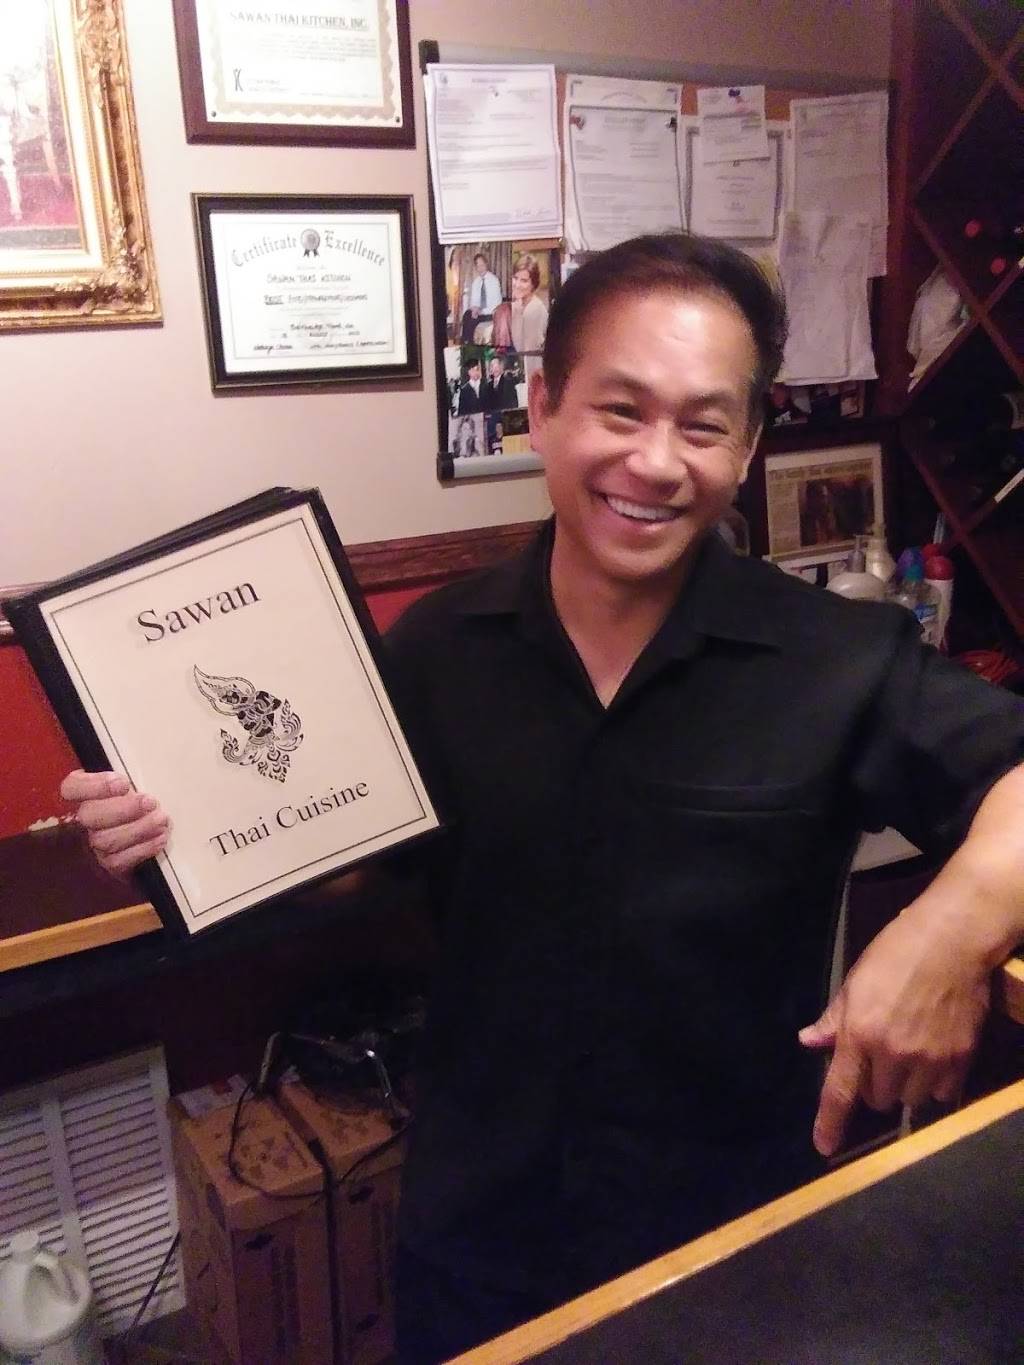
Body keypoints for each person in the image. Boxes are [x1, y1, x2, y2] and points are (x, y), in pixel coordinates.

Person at [62, 234, 1024, 1365]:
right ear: (543, 411)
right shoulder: (436, 646)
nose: (655, 462)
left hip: (737, 1233)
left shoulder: (839, 656)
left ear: (748, 445)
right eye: (620, 409)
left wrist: (948, 931)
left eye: (703, 425)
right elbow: (354, 865)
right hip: (477, 1229)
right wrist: (179, 833)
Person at [508, 253, 549, 370]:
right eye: (515, 278)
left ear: (533, 284)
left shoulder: (534, 310)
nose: (517, 284)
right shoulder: (519, 304)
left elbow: (526, 352)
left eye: (524, 280)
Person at [460, 251, 502, 344]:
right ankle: (465, 343)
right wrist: (474, 309)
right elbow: (474, 301)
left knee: (472, 322)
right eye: (478, 266)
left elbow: (497, 304)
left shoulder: (494, 280)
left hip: (490, 313)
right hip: (479, 312)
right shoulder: (476, 282)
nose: (480, 268)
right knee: (467, 314)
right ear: (476, 267)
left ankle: (469, 345)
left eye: (482, 265)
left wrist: (481, 311)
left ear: (486, 264)